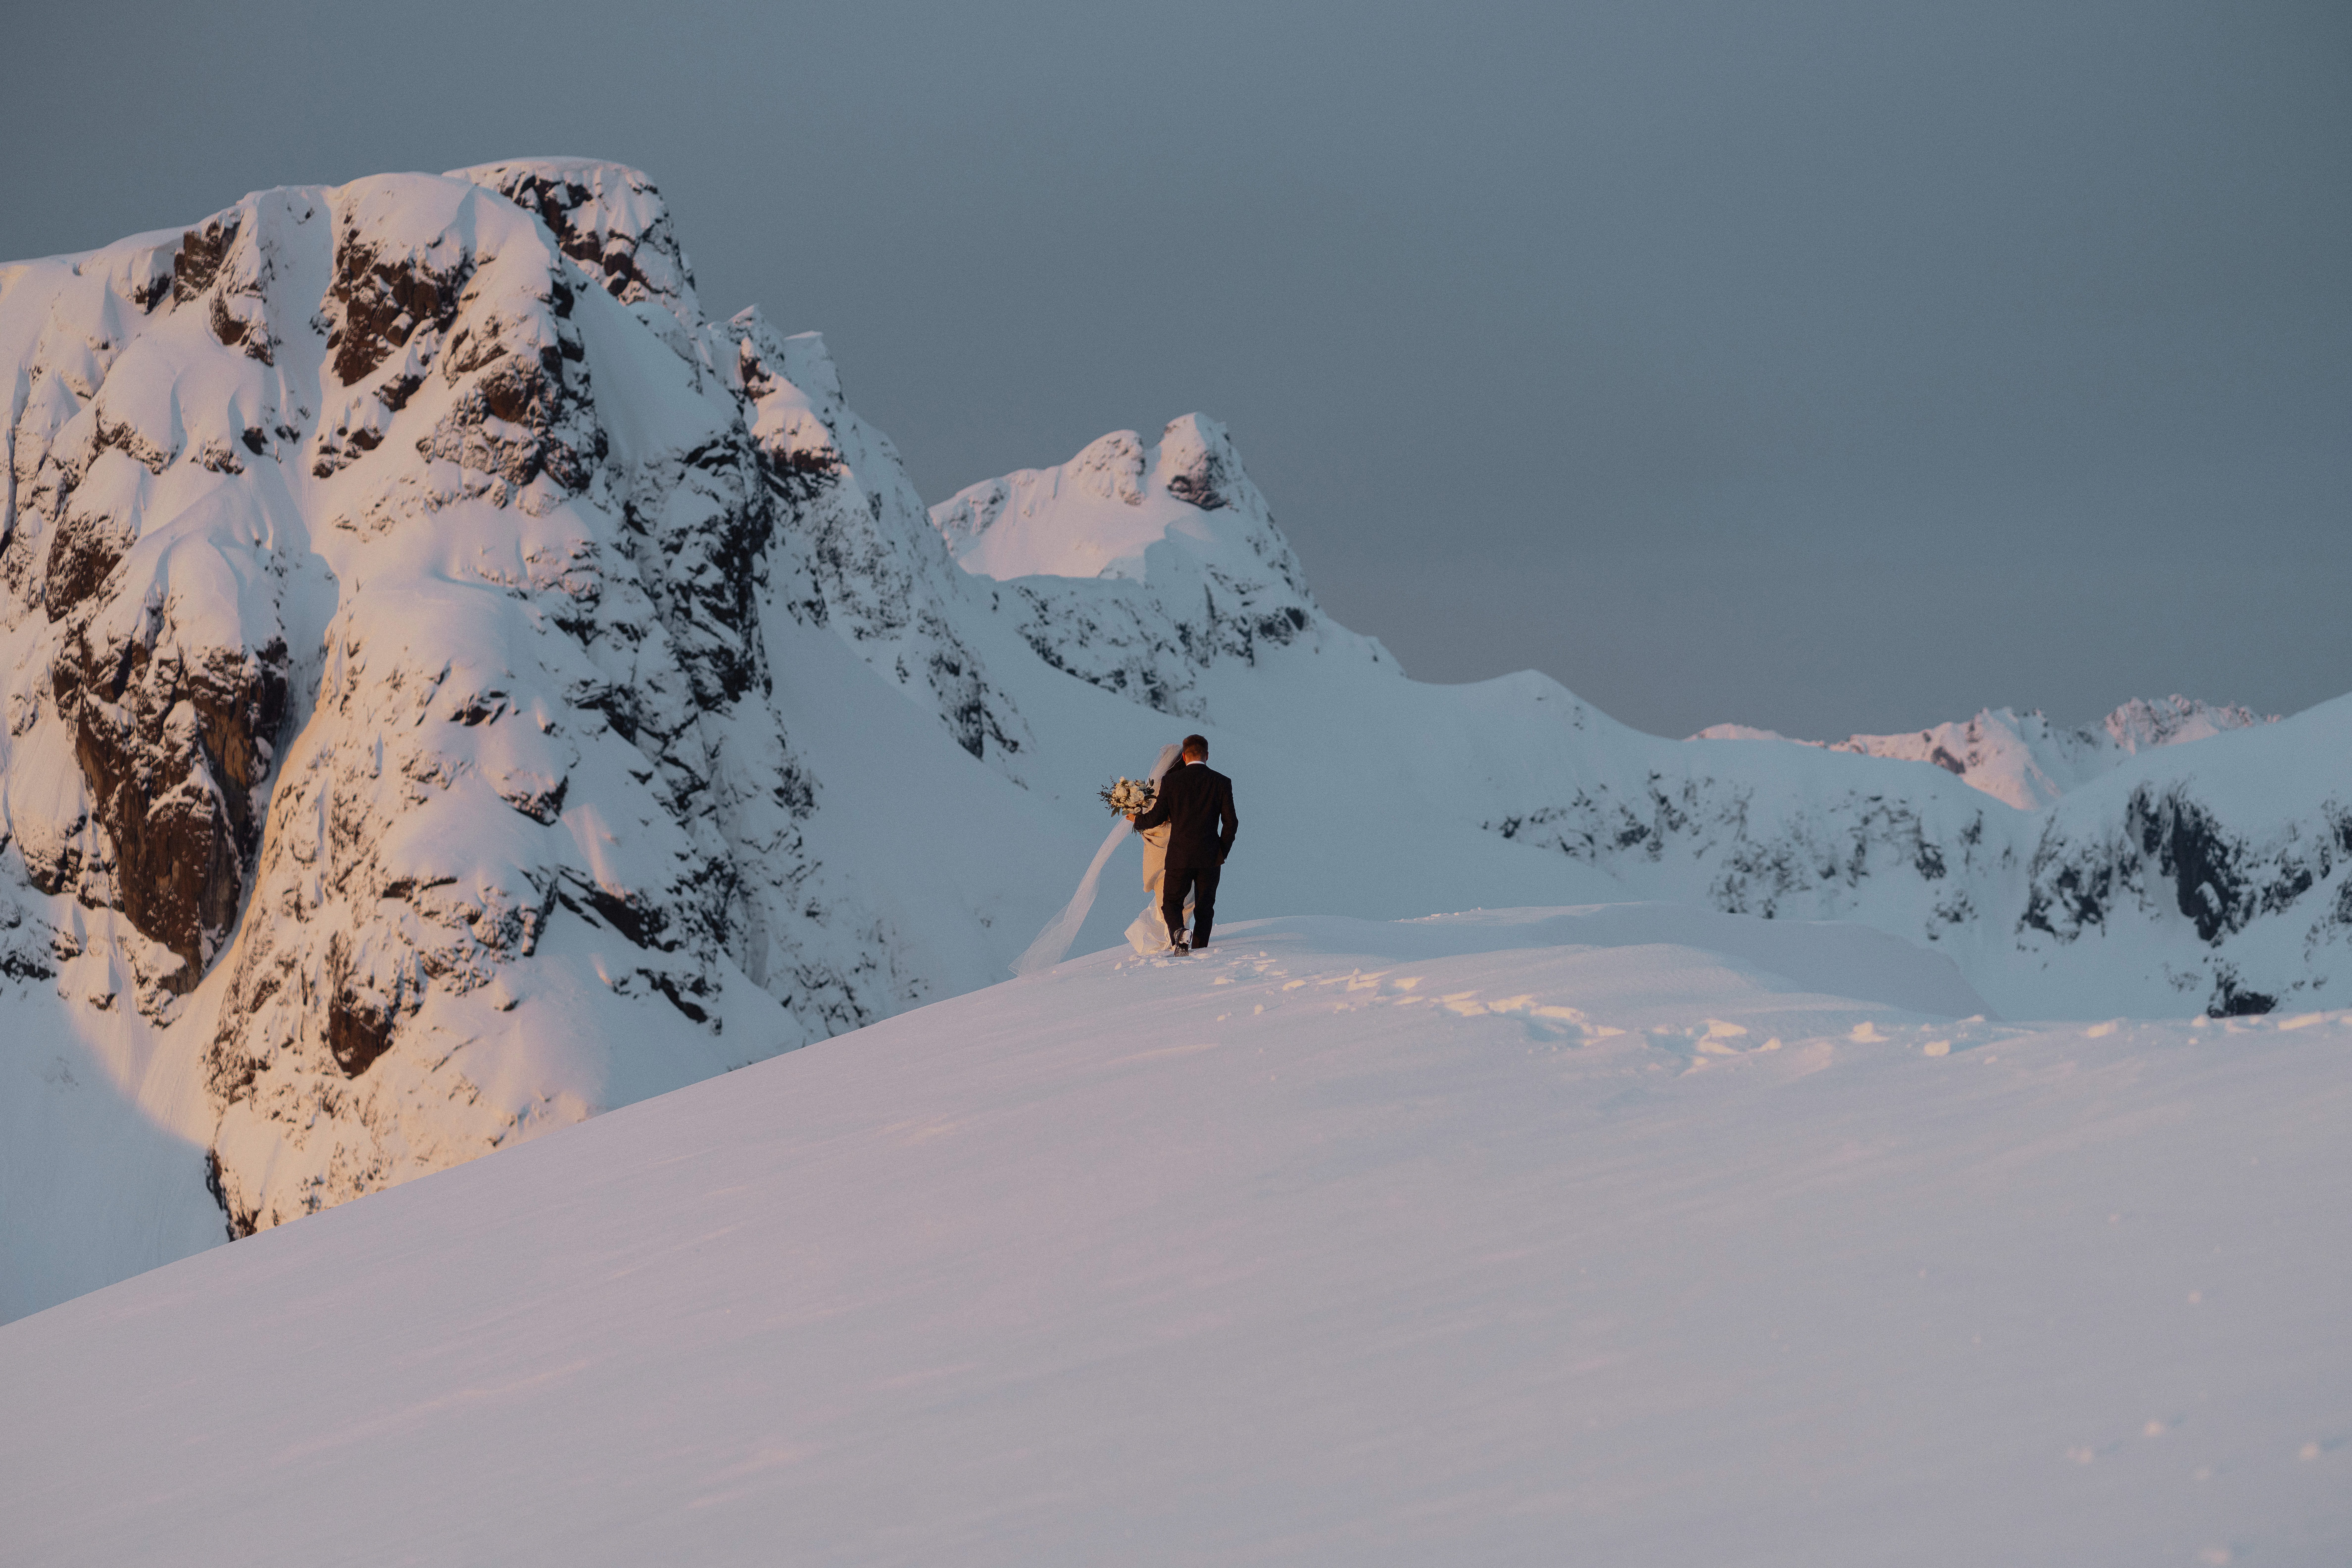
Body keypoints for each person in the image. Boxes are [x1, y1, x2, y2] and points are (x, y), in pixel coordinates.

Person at [1127, 733, 1237, 953]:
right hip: (1210, 856)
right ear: (1207, 755)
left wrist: (1137, 819)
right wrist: (1221, 852)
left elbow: (1157, 817)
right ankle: (1200, 949)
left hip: (1180, 856)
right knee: (1206, 909)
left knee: (1171, 904)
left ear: (1185, 756)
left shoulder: (1172, 782)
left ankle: (1179, 935)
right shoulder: (1222, 782)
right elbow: (1231, 823)